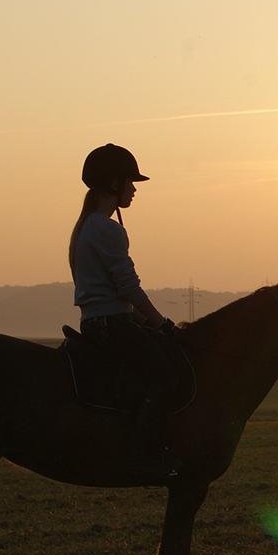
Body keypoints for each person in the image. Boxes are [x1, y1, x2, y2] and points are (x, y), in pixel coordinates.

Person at [69, 143, 180, 478]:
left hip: (97, 320)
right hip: (113, 323)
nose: (134, 189)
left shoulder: (86, 226)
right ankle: (146, 454)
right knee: (165, 374)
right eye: (130, 182)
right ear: (114, 184)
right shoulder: (107, 229)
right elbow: (128, 289)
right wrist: (161, 324)